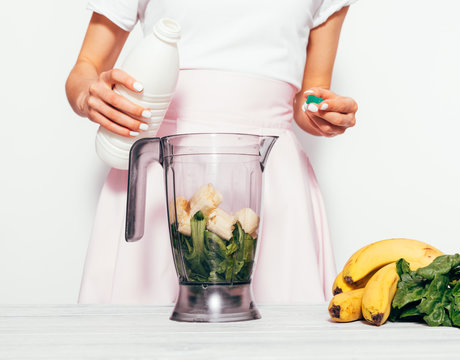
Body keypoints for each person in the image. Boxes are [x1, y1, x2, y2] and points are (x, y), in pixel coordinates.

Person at [65, 0, 358, 304]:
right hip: (163, 168)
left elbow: (308, 96)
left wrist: (322, 111)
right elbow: (86, 68)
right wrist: (89, 96)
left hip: (271, 171)